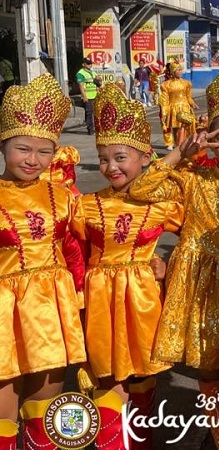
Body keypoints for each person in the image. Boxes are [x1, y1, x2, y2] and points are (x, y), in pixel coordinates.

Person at [129, 67, 219, 449]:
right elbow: (141, 189)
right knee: (210, 367)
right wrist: (180, 152)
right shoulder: (192, 178)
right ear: (208, 136)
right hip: (200, 287)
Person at [73, 84, 182, 448]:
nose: (110, 167)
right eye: (103, 158)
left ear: (145, 157)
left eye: (120, 157)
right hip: (101, 300)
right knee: (106, 376)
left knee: (142, 376)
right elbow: (73, 251)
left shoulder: (161, 204)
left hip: (142, 299)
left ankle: (142, 439)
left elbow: (198, 236)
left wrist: (169, 266)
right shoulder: (86, 205)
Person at [0, 74, 86, 449]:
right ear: (3, 145)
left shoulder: (63, 196)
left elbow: (77, 251)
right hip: (3, 314)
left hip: (51, 310)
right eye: (23, 149)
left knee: (45, 409)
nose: (33, 160)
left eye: (44, 151)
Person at [158, 63, 198, 151]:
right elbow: (165, 99)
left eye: (181, 70)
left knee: (183, 127)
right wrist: (164, 112)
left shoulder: (186, 83)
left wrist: (192, 103)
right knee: (176, 129)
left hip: (185, 108)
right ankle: (178, 146)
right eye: (178, 70)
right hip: (173, 109)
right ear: (173, 71)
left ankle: (182, 147)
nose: (181, 72)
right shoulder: (166, 85)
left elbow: (188, 96)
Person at [77, 57, 101, 135]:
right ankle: (90, 129)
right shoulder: (80, 73)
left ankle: (96, 128)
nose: (90, 65)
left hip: (95, 95)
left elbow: (98, 81)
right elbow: (81, 86)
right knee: (89, 112)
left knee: (96, 113)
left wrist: (98, 79)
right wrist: (84, 96)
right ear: (83, 64)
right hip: (87, 96)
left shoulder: (92, 72)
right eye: (88, 63)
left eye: (90, 63)